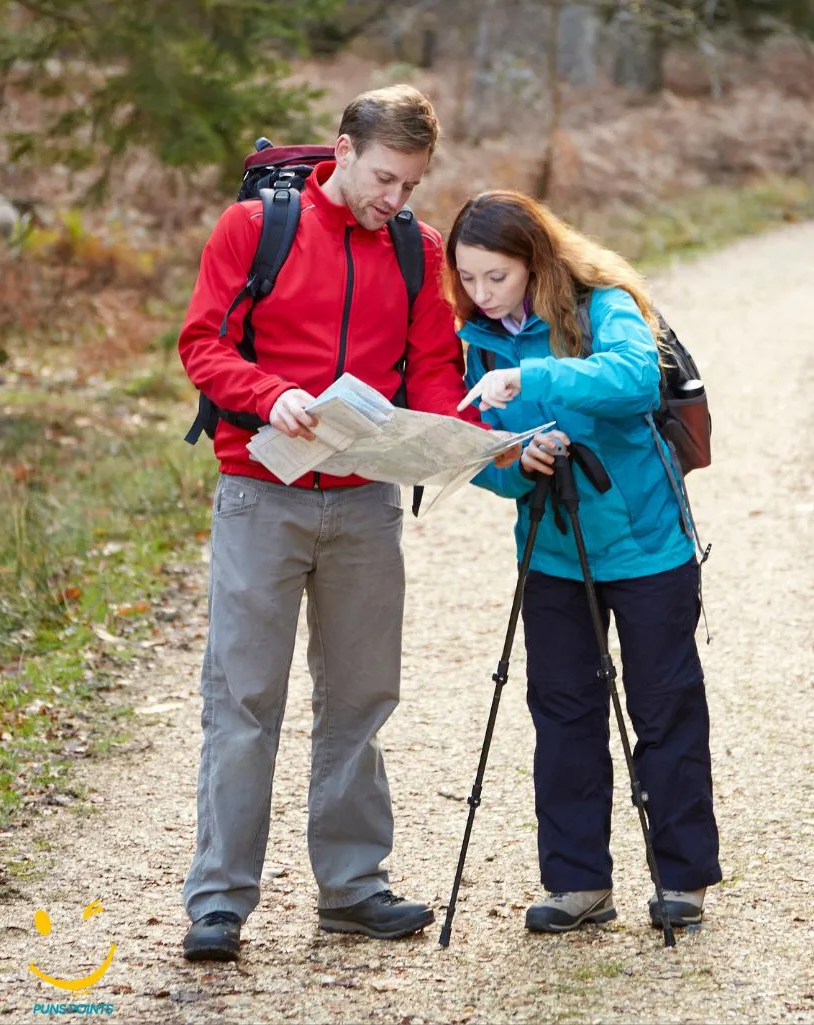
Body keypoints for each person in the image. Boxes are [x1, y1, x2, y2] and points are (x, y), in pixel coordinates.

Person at [176, 85, 511, 961]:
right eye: (384, 179)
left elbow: (434, 365)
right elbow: (202, 345)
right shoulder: (254, 230)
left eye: (411, 184)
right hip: (262, 492)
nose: (394, 199)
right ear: (343, 151)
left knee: (361, 697)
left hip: (364, 499)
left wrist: (457, 433)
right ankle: (218, 902)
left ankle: (354, 889)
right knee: (244, 701)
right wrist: (270, 392)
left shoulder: (415, 248)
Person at [448, 190, 722, 934]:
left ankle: (682, 877)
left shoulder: (604, 305)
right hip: (552, 552)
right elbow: (484, 459)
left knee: (663, 707)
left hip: (645, 544)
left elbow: (633, 382)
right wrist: (518, 459)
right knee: (561, 711)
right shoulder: (476, 337)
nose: (481, 293)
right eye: (467, 278)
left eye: (496, 277)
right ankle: (577, 883)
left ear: (535, 262)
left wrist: (532, 378)